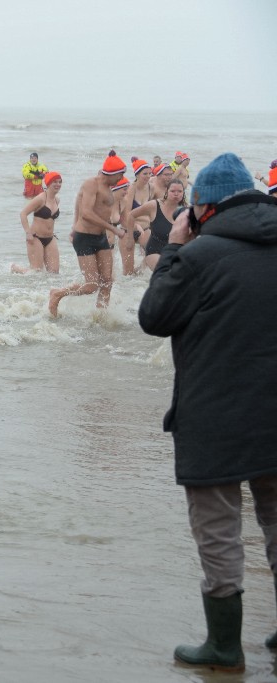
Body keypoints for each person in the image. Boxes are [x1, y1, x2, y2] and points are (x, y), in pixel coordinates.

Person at [138, 152, 277, 674]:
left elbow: (154, 317)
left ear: (201, 209)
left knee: (219, 531)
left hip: (215, 417)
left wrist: (174, 251)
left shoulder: (198, 257)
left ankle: (224, 647)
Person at [49, 152, 128, 316]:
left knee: (107, 281)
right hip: (84, 238)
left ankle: (101, 317)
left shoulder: (109, 187)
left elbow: (81, 202)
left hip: (101, 238)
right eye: (120, 175)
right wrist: (113, 229)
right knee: (92, 285)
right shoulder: (91, 184)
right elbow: (86, 213)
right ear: (112, 173)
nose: (121, 179)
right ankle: (58, 293)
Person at [127, 179, 186, 272]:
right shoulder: (154, 206)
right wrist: (130, 237)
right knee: (167, 273)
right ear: (166, 191)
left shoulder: (186, 211)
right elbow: (131, 215)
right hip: (154, 251)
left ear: (183, 193)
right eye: (173, 191)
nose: (176, 194)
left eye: (180, 191)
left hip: (174, 252)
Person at [12, 171, 62, 273]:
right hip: (35, 238)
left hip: (50, 238)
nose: (58, 184)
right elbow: (23, 214)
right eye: (55, 182)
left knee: (54, 273)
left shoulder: (57, 200)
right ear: (48, 183)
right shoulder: (40, 199)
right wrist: (28, 232)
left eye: (60, 182)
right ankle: (15, 268)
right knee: (35, 272)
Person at [119, 158, 153, 275]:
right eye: (145, 174)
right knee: (127, 273)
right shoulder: (131, 188)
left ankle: (139, 275)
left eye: (150, 173)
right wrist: (135, 225)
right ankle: (129, 287)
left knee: (154, 256)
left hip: (145, 229)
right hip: (128, 230)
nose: (148, 176)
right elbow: (127, 212)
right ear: (137, 174)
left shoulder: (150, 187)